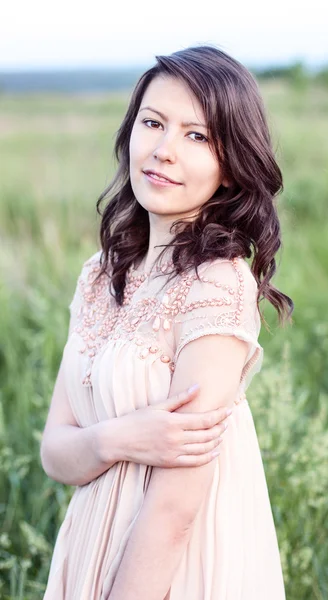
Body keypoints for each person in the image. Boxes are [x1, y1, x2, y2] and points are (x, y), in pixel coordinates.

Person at [40, 44, 293, 599]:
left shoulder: (217, 286)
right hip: (92, 542)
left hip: (174, 568)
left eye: (197, 136)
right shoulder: (101, 274)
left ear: (231, 167)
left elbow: (176, 508)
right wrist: (118, 438)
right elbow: (56, 451)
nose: (163, 150)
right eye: (152, 123)